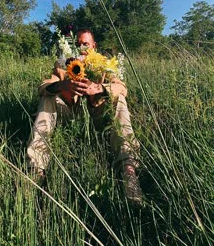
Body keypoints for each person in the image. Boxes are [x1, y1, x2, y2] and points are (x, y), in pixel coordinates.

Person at [27, 29, 142, 204]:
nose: (81, 47)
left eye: (85, 44)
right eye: (78, 43)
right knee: (47, 97)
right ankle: (36, 168)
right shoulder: (63, 64)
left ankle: (128, 171)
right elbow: (43, 86)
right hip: (71, 114)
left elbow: (121, 87)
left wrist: (101, 88)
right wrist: (62, 85)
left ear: (93, 46)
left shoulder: (103, 64)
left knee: (119, 100)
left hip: (96, 116)